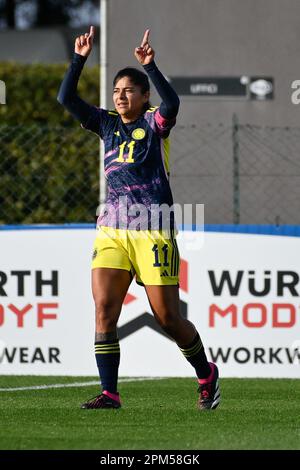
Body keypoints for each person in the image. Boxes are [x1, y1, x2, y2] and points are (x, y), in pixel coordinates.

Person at [57, 26, 220, 410]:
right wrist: (80, 58)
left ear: (144, 96)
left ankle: (206, 374)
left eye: (129, 90)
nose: (121, 96)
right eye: (117, 91)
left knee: (167, 317)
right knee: (104, 309)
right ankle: (110, 393)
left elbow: (173, 104)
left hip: (153, 231)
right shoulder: (106, 123)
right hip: (112, 231)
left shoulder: (154, 123)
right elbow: (66, 97)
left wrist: (151, 65)